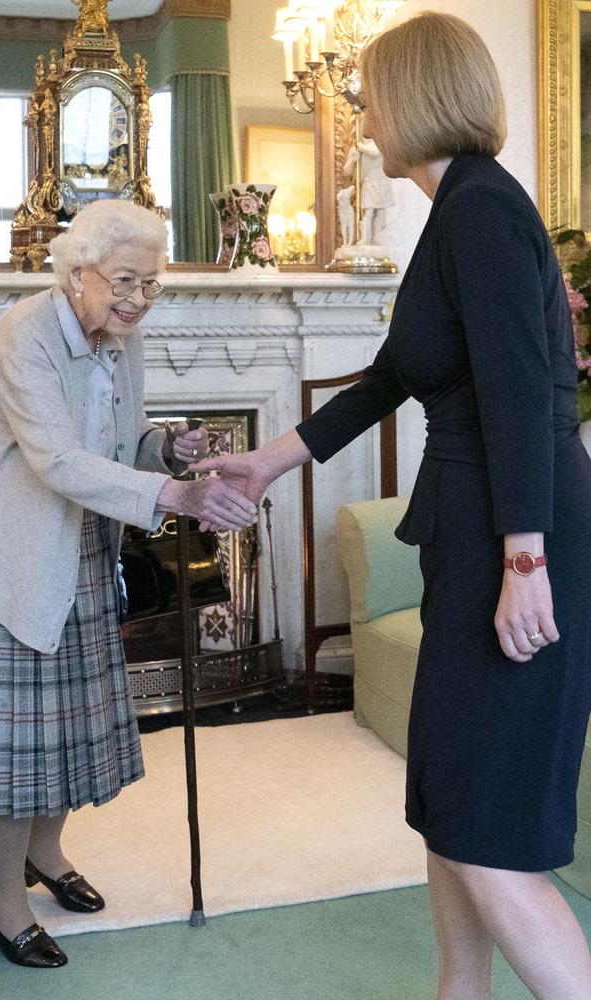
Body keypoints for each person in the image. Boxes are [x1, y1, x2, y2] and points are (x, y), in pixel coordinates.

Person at [193, 13, 591, 999]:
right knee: (455, 802)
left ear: (414, 94)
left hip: (513, 533)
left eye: (370, 91)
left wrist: (524, 561)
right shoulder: (456, 210)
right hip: (480, 531)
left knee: (482, 816)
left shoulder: (482, 213)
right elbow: (394, 376)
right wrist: (270, 461)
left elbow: (514, 392)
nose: (361, 111)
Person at [0, 199, 257, 968]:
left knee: (67, 730)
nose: (138, 299)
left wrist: (165, 449)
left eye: (152, 285)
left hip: (82, 547)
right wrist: (175, 498)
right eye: (125, 281)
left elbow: (118, 442)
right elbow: (56, 460)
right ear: (75, 272)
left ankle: (44, 857)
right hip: (17, 556)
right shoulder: (23, 337)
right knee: (19, 745)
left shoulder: (120, 339)